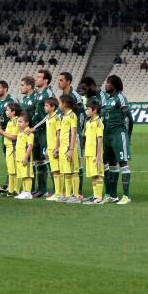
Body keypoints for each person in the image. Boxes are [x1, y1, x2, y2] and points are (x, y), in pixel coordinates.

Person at [103, 75, 133, 205]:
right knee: (112, 165)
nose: (106, 85)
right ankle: (113, 196)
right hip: (108, 136)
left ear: (114, 85)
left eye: (108, 83)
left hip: (119, 134)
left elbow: (129, 118)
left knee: (123, 164)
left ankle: (126, 196)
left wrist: (128, 135)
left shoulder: (120, 97)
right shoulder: (109, 99)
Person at [57, 72, 86, 195]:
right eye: (58, 80)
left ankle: (77, 191)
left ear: (68, 82)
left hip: (75, 133)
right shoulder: (62, 95)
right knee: (68, 164)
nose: (59, 82)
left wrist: (81, 131)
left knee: (76, 162)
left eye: (61, 80)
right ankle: (69, 191)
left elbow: (83, 114)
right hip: (66, 135)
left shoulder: (75, 96)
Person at [30, 69, 55, 198]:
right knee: (38, 160)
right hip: (37, 132)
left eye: (39, 77)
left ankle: (56, 189)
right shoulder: (36, 94)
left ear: (45, 80)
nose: (36, 79)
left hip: (46, 131)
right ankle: (42, 189)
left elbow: (50, 115)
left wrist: (35, 126)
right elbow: (36, 113)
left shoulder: (48, 93)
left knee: (49, 159)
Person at [57, 95, 81, 203]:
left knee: (73, 172)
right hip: (63, 147)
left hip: (69, 148)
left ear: (65, 104)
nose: (58, 105)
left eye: (59, 103)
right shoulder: (64, 116)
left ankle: (75, 196)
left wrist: (71, 149)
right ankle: (67, 194)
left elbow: (74, 133)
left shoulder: (72, 116)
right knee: (66, 172)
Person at [0, 102, 21, 196]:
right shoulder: (10, 121)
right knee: (11, 170)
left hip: (13, 148)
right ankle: (11, 190)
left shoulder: (16, 121)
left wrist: (1, 132)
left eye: (7, 110)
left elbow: (14, 136)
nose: (6, 112)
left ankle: (16, 190)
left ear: (13, 112)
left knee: (15, 170)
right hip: (9, 148)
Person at [83, 101, 105, 204]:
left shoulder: (99, 122)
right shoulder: (88, 123)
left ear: (94, 110)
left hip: (96, 154)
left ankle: (99, 198)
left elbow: (99, 140)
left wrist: (99, 155)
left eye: (88, 109)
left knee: (98, 175)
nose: (86, 111)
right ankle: (95, 196)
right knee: (92, 175)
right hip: (88, 153)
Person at [44, 98, 62, 201]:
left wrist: (56, 148)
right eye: (45, 105)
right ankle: (58, 192)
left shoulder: (56, 118)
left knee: (57, 171)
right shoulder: (48, 118)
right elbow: (49, 135)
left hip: (55, 148)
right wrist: (47, 148)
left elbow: (58, 134)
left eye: (47, 106)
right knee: (54, 171)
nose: (45, 107)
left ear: (53, 107)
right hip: (50, 147)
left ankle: (59, 193)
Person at [14, 112, 34, 200]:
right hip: (19, 158)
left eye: (21, 122)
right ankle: (24, 191)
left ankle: (28, 192)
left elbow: (30, 146)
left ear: (27, 123)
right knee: (23, 175)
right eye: (18, 122)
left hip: (25, 158)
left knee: (27, 175)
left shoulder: (29, 133)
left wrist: (26, 157)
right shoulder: (20, 132)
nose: (18, 123)